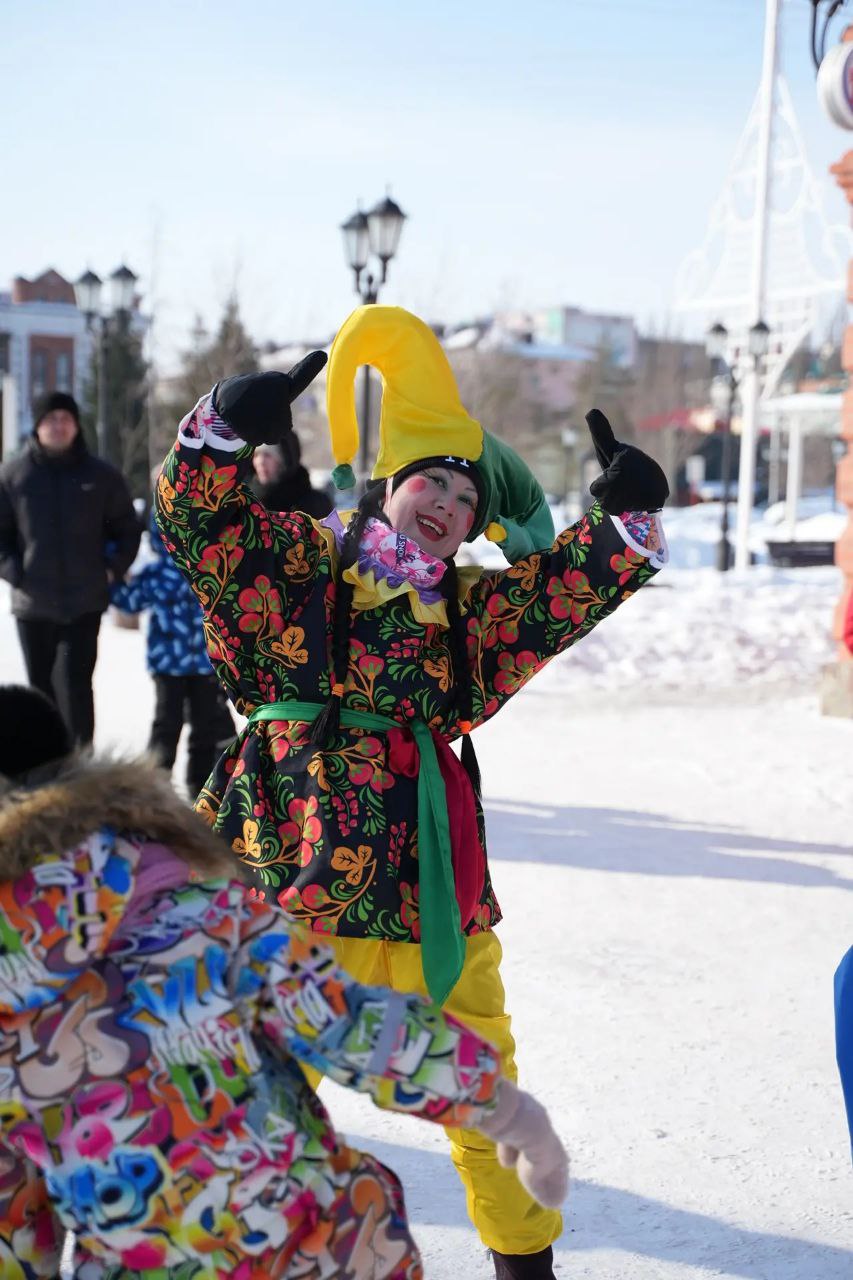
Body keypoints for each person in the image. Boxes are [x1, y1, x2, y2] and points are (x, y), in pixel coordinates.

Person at [155, 304, 669, 1280]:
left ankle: (526, 1267)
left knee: (483, 1096)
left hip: (432, 888)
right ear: (389, 486)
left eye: (465, 500)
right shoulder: (293, 561)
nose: (444, 502)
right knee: (244, 1102)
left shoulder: (469, 613)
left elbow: (564, 591)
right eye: (428, 480)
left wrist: (627, 516)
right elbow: (198, 518)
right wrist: (220, 423)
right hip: (286, 873)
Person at [0, 683, 567, 1280]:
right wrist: (502, 1109)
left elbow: (14, 1217)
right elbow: (350, 1023)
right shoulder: (200, 905)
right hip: (318, 1243)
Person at [0, 391, 140, 747]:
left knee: (76, 688)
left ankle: (80, 769)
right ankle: (41, 769)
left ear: (77, 425)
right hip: (34, 606)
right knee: (40, 692)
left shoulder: (103, 476)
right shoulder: (14, 475)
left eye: (66, 419)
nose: (58, 426)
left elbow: (127, 527)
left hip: (84, 602)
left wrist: (112, 569)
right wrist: (18, 574)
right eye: (51, 419)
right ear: (37, 425)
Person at [111, 506, 235, 796]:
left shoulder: (209, 569)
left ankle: (199, 787)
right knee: (167, 724)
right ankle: (155, 786)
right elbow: (129, 602)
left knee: (204, 727)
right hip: (168, 664)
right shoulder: (156, 573)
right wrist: (112, 569)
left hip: (205, 662)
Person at [250, 432, 332, 518]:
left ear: (283, 462)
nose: (260, 462)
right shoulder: (246, 502)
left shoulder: (314, 505)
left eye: (268, 455)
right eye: (256, 455)